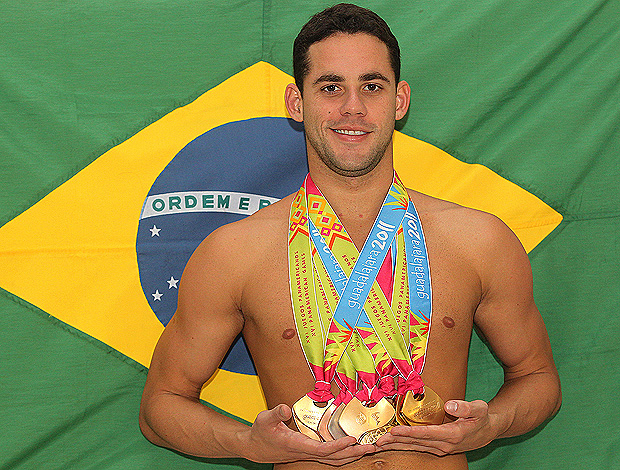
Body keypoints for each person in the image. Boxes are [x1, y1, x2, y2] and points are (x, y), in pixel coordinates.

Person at [139, 4, 561, 469]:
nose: (352, 107)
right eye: (331, 87)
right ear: (296, 103)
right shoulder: (235, 253)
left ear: (399, 100)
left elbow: (538, 377)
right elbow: (160, 408)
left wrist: (494, 424)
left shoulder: (479, 240)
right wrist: (248, 443)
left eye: (372, 86)